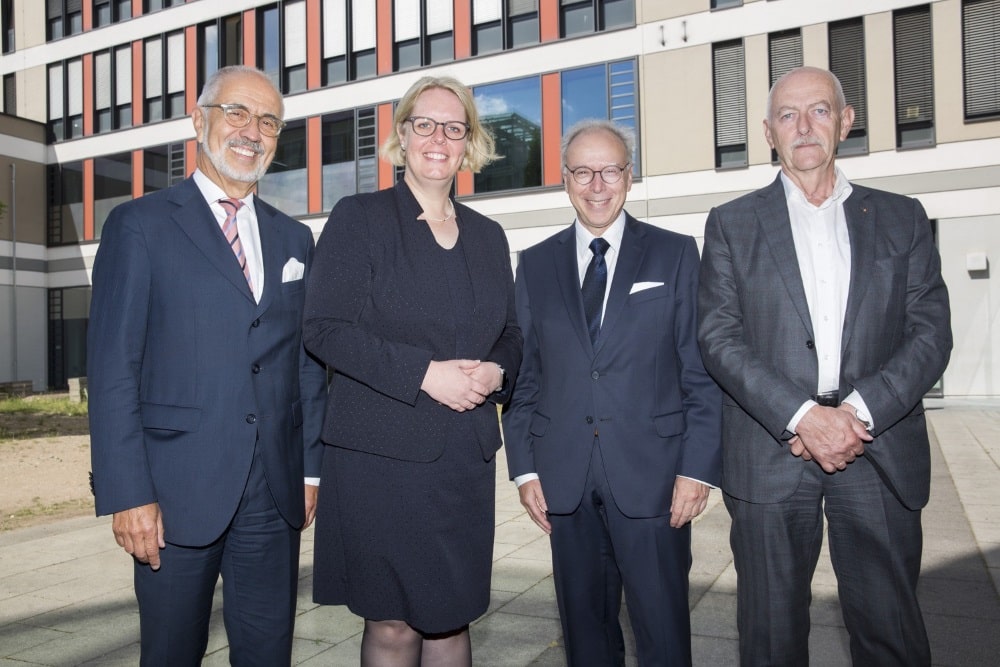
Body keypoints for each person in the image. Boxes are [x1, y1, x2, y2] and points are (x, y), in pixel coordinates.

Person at [697, 66, 953, 666]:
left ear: (845, 121)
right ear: (768, 132)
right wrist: (804, 416)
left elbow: (930, 332)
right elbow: (718, 336)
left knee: (891, 634)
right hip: (771, 452)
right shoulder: (731, 224)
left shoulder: (902, 218)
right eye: (787, 115)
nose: (803, 126)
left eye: (818, 110)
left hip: (877, 448)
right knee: (769, 638)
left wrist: (855, 414)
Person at [87, 65, 327, 666]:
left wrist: (310, 473)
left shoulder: (295, 240)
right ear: (200, 121)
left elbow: (305, 365)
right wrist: (127, 493)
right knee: (171, 653)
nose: (252, 130)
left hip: (273, 495)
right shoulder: (139, 225)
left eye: (268, 120)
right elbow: (114, 368)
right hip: (173, 496)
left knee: (268, 652)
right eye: (237, 113)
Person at [302, 75, 522, 666]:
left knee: (452, 619)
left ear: (468, 142)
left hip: (461, 464)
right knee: (395, 625)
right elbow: (324, 329)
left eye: (454, 128)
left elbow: (511, 333)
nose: (438, 138)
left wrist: (498, 370)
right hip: (380, 462)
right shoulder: (360, 219)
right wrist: (425, 374)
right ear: (402, 134)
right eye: (424, 123)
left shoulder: (489, 236)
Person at [502, 119, 722, 666]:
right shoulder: (535, 264)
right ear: (565, 178)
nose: (597, 185)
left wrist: (697, 470)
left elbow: (699, 371)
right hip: (564, 483)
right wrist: (525, 469)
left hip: (654, 480)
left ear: (630, 175)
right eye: (583, 171)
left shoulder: (675, 254)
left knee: (663, 632)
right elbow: (526, 376)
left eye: (610, 171)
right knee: (585, 636)